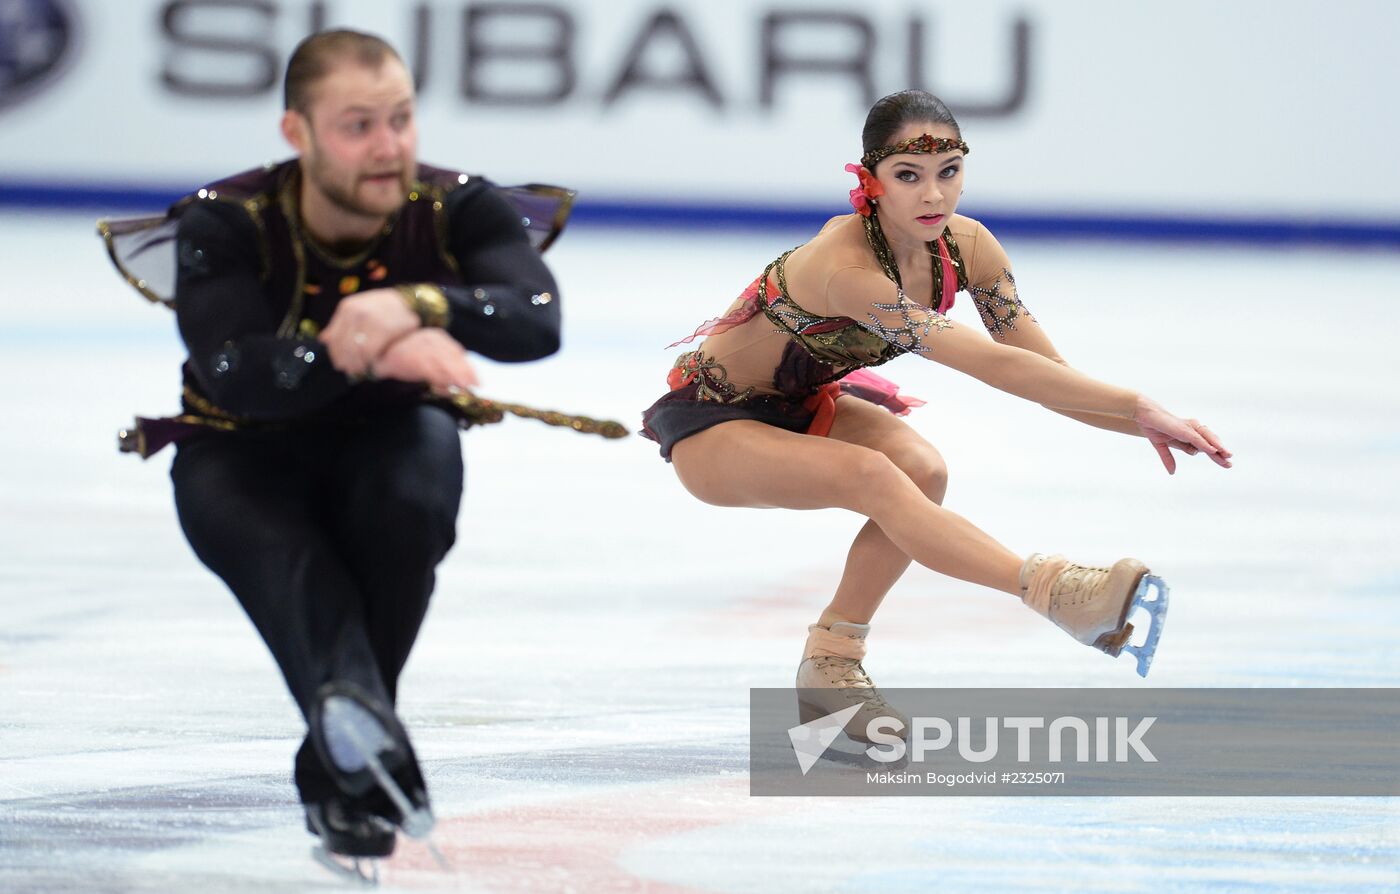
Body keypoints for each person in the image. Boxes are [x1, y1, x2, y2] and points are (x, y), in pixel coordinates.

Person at [101, 29, 568, 875]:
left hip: (392, 446)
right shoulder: (226, 220)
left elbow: (536, 318)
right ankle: (360, 762)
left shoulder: (455, 207)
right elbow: (237, 371)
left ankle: (347, 756)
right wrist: (363, 347)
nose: (388, 147)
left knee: (408, 508)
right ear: (297, 133)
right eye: (358, 125)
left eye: (400, 118)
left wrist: (414, 303)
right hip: (237, 455)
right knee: (296, 574)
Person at [641, 90, 1231, 740]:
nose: (933, 196)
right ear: (870, 180)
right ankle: (1056, 590)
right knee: (875, 476)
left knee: (922, 471)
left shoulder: (969, 248)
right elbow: (991, 365)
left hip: (803, 406)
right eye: (909, 176)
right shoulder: (846, 268)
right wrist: (1133, 404)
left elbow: (1044, 375)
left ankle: (832, 662)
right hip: (713, 423)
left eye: (949, 171)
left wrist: (1139, 418)